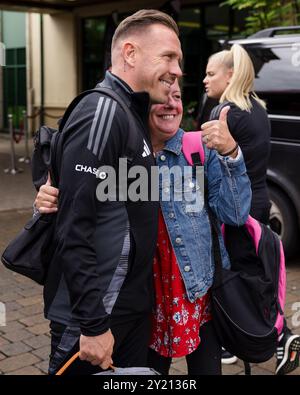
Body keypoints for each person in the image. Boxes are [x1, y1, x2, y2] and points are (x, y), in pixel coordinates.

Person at [36, 79, 252, 375]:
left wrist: (231, 153)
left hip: (197, 297)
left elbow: (236, 214)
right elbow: (83, 207)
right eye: (162, 97)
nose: (170, 104)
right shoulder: (125, 154)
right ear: (143, 106)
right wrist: (48, 201)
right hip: (145, 304)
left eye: (177, 96)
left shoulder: (199, 150)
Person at [37, 9, 183, 375]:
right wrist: (93, 325)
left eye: (178, 60)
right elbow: (75, 227)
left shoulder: (133, 115)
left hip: (130, 310)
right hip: (97, 318)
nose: (178, 69)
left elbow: (117, 206)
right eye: (168, 56)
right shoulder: (103, 112)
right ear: (130, 53)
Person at [203, 43, 300, 375]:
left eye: (211, 73)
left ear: (230, 74)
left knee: (238, 279)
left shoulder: (224, 113)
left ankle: (271, 335)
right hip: (259, 203)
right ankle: (258, 336)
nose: (204, 80)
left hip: (235, 209)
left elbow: (212, 172)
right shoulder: (258, 107)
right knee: (254, 273)